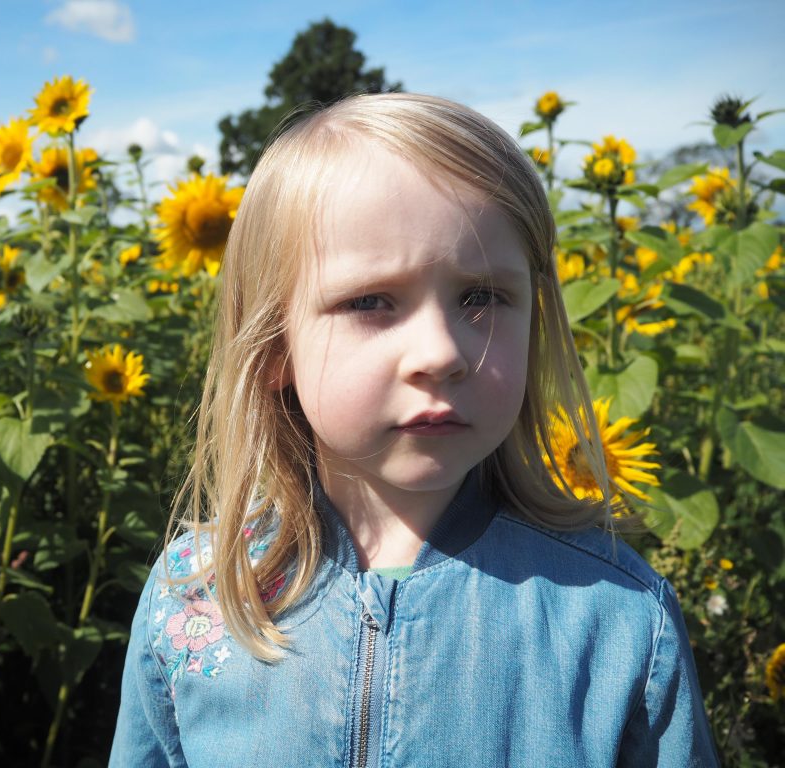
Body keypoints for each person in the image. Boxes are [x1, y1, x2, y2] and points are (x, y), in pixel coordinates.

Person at [108, 93, 718, 767]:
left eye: (481, 298)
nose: (441, 353)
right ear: (276, 346)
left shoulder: (618, 619)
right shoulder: (198, 597)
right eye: (370, 302)